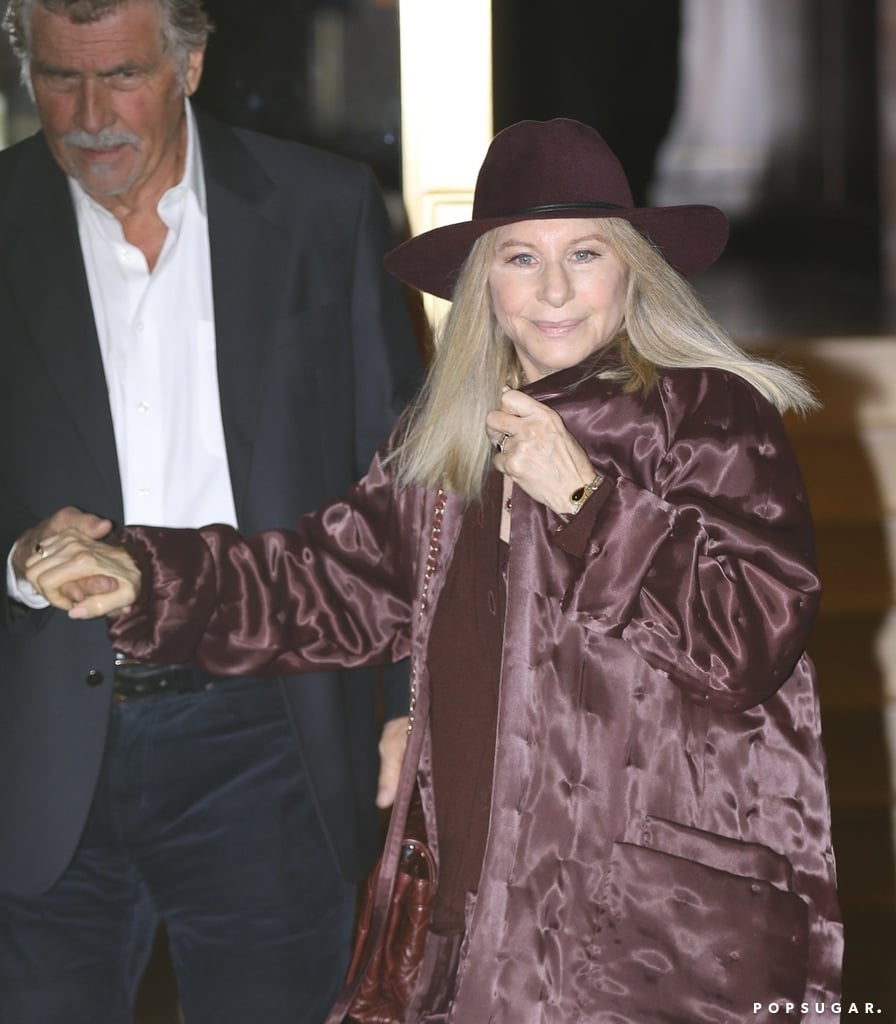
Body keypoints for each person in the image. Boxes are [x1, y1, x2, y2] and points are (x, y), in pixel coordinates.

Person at [28, 118, 844, 1023]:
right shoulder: (448, 442)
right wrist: (148, 575)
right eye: (520, 259)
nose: (556, 288)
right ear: (482, 282)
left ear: (633, 269)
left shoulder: (704, 413)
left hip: (646, 934)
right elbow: (322, 583)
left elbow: (747, 640)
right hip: (470, 911)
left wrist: (587, 502)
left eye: (585, 253)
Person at [0, 1, 421, 1022]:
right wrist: (17, 559)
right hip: (39, 739)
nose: (90, 114)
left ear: (188, 66)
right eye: (59, 79)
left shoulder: (325, 209)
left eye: (123, 77)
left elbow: (408, 477)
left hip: (268, 728)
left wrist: (415, 700)